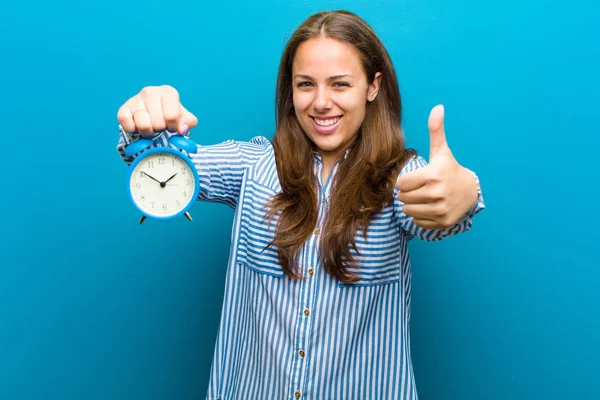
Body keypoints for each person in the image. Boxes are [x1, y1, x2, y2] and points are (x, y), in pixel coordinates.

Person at [116, 10, 484, 400]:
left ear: (373, 87)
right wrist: (146, 126)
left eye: (340, 84)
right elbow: (166, 166)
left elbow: (436, 210)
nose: (321, 103)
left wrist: (465, 193)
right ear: (290, 90)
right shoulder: (252, 166)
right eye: (306, 84)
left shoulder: (400, 176)